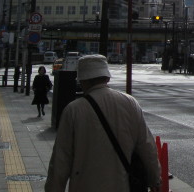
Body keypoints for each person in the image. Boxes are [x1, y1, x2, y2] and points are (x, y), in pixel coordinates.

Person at [45, 54, 161, 192]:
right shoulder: (130, 103)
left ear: (82, 80)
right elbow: (147, 147)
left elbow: (60, 160)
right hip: (122, 185)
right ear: (107, 78)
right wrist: (155, 179)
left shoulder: (73, 110)